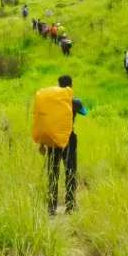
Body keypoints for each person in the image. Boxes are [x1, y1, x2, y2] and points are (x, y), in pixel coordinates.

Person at [42, 74, 86, 215]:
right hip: (69, 141)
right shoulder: (75, 102)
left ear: (58, 85)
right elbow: (85, 112)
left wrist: (42, 144)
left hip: (53, 142)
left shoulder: (50, 103)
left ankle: (51, 207)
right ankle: (70, 206)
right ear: (71, 86)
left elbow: (45, 123)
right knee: (70, 172)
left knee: (53, 173)